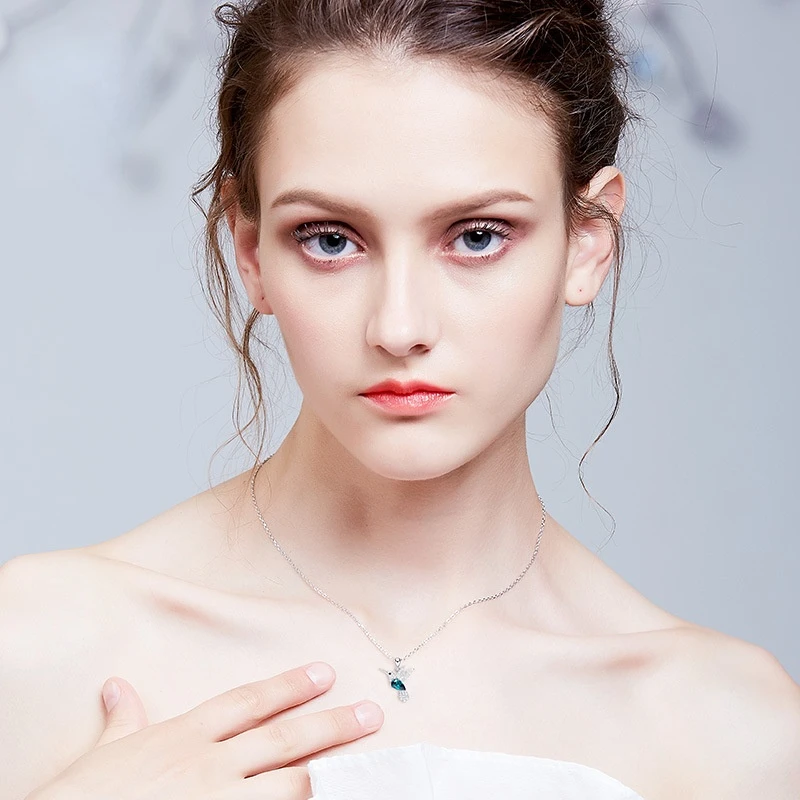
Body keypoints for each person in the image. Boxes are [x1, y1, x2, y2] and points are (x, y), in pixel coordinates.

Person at [3, 0, 799, 798]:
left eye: (478, 236)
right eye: (330, 240)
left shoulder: (731, 729)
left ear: (587, 243)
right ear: (250, 252)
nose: (399, 327)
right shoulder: (42, 648)